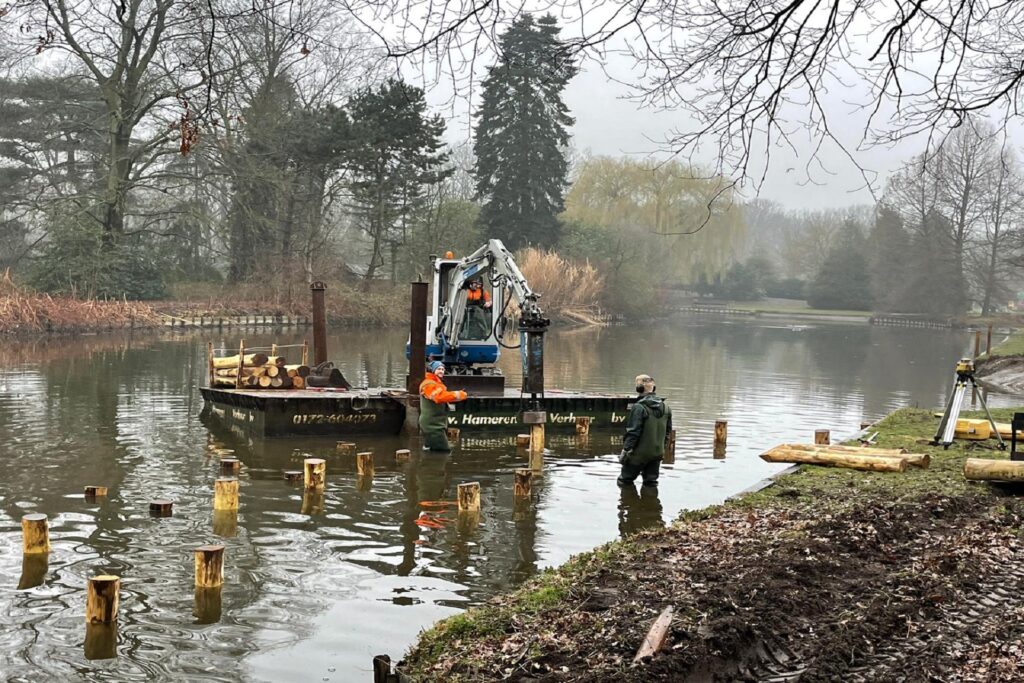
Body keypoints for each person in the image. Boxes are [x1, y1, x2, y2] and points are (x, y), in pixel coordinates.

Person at [618, 374, 672, 487]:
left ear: (639, 389)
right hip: (657, 454)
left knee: (624, 481)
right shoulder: (666, 408)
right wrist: (661, 449)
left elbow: (633, 433)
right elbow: (668, 433)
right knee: (651, 483)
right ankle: (650, 498)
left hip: (639, 455)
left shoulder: (639, 407)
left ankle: (627, 498)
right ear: (654, 388)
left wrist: (625, 450)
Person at [419, 360, 468, 450]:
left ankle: (426, 457)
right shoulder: (429, 384)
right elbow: (439, 397)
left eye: (442, 369)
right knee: (444, 451)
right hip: (433, 426)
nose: (441, 371)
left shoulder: (436, 384)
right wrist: (458, 394)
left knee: (431, 450)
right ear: (432, 370)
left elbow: (443, 396)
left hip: (435, 425)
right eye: (438, 369)